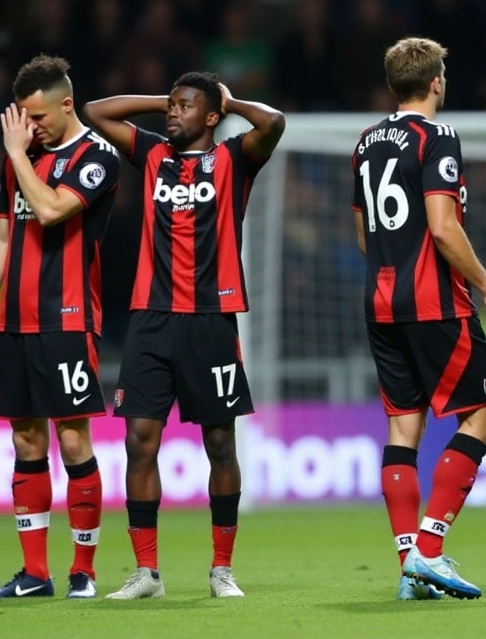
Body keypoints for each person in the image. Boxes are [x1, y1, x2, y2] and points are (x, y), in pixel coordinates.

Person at [81, 72, 285, 600]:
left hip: (211, 321)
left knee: (219, 442)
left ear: (212, 117)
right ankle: (147, 573)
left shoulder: (235, 157)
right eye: (171, 106)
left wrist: (226, 98)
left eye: (185, 106)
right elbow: (95, 111)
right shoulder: (150, 153)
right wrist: (165, 100)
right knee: (138, 440)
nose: (172, 113)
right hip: (151, 319)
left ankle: (222, 569)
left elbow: (275, 122)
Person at [350, 37, 486, 601]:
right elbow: (443, 226)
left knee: (402, 428)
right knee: (484, 418)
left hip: (380, 298)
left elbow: (364, 229)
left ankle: (408, 569)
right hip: (434, 302)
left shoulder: (366, 143)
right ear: (437, 82)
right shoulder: (437, 136)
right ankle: (431, 549)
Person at [0, 55, 120, 600]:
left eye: (38, 117)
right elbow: (1, 237)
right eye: (23, 119)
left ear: (67, 103)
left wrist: (14, 154)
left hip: (67, 322)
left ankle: (84, 570)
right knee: (25, 438)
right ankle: (34, 574)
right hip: (14, 323)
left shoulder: (96, 156)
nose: (31, 129)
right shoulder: (22, 158)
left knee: (73, 439)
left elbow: (53, 210)